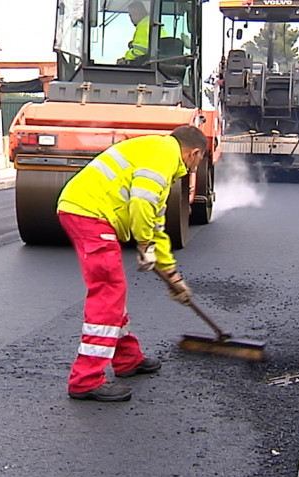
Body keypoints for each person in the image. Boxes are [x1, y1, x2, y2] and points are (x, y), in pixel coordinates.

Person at [56, 125, 207, 402]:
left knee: (114, 293)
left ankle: (127, 360)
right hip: (89, 214)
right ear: (194, 153)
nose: (196, 168)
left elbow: (156, 227)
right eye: (199, 161)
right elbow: (140, 202)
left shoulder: (162, 161)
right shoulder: (164, 153)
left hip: (86, 211)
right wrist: (143, 244)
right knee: (108, 292)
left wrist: (173, 277)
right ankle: (85, 379)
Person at [118, 1, 166, 65]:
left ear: (143, 12)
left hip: (150, 64)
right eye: (130, 16)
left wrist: (126, 58)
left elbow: (140, 52)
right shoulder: (151, 22)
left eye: (134, 14)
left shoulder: (143, 25)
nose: (132, 18)